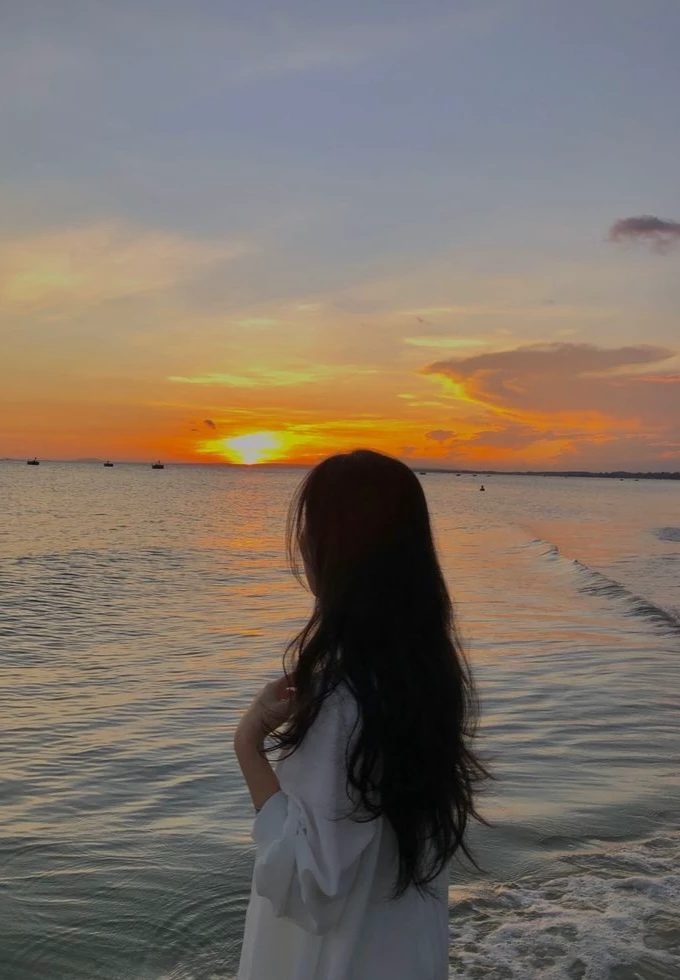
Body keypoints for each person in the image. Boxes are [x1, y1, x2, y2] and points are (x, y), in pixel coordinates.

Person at [235, 449, 488, 980]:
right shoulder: (424, 678)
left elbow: (310, 888)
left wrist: (249, 745)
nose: (302, 546)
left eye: (310, 530)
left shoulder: (342, 699)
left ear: (334, 550)